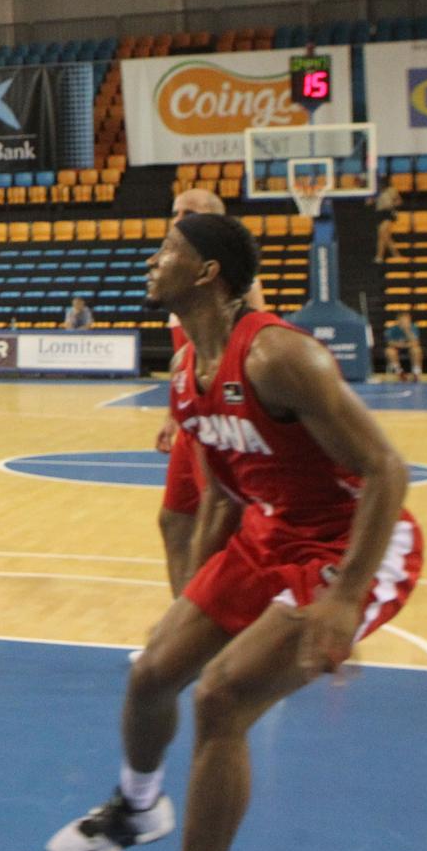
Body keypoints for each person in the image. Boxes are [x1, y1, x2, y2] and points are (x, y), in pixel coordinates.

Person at [45, 213, 421, 851]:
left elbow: (388, 468)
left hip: (351, 540)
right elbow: (222, 493)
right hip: (271, 531)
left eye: (166, 251)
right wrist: (191, 594)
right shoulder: (189, 370)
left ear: (207, 271)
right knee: (153, 671)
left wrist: (343, 599)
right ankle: (138, 806)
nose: (152, 261)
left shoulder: (279, 356)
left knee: (220, 697)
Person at [156, 189, 271, 598]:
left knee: (221, 518)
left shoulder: (238, 282)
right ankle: (182, 620)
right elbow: (186, 358)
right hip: (194, 413)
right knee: (174, 520)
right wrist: (174, 412)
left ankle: (219, 619)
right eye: (176, 212)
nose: (178, 218)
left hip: (224, 416)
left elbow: (248, 336)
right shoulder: (177, 276)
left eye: (189, 212)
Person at [382, 309, 423, 382]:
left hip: (409, 348)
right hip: (397, 349)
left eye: (406, 320)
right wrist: (406, 345)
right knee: (389, 351)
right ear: (398, 321)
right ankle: (400, 373)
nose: (404, 322)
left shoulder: (414, 328)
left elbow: (416, 342)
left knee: (417, 350)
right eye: (402, 320)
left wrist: (407, 330)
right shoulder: (392, 329)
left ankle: (416, 373)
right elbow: (390, 343)